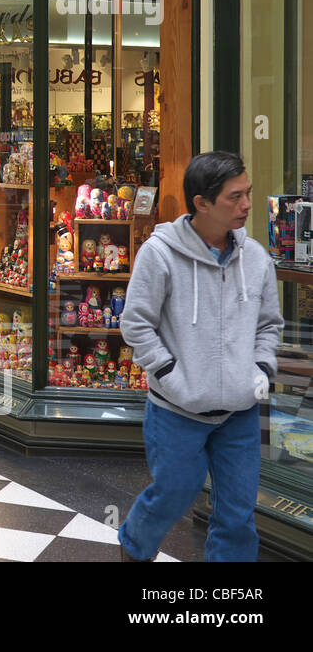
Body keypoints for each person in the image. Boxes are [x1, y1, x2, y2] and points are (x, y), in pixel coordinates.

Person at [117, 152, 281, 562]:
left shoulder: (257, 258)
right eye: (235, 196)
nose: (246, 205)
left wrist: (261, 367)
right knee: (173, 496)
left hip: (240, 413)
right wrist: (170, 374)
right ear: (201, 203)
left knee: (238, 515)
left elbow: (269, 324)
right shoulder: (159, 255)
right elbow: (136, 324)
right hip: (177, 410)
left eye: (248, 194)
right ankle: (135, 549)